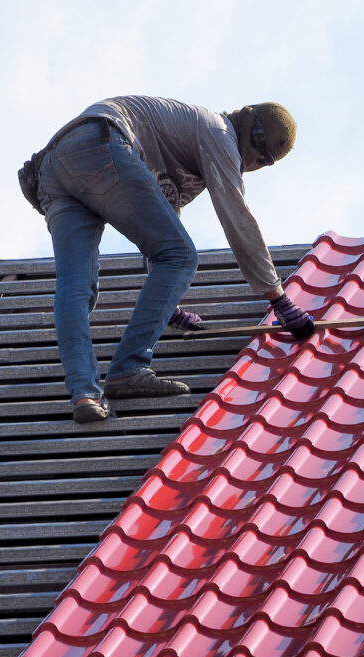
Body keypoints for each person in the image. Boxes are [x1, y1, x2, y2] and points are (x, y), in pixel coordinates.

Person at [27, 95, 315, 424]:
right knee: (182, 256)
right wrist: (277, 296)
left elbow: (163, 217)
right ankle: (129, 368)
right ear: (249, 125)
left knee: (75, 285)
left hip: (55, 165)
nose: (256, 159)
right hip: (102, 140)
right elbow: (237, 216)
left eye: (266, 159)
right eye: (259, 146)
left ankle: (85, 394)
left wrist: (168, 305)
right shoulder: (219, 132)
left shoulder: (187, 147)